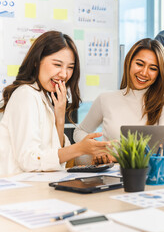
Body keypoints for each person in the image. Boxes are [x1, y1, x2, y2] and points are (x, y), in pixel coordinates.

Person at [0, 31, 109, 175]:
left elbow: (55, 156)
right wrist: (80, 148)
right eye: (57, 64)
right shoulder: (26, 94)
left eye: (70, 67)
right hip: (18, 190)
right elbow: (29, 160)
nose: (64, 74)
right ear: (35, 62)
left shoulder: (44, 97)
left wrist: (59, 116)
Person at [73, 38, 164, 164]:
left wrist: (116, 157)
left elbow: (163, 152)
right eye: (139, 64)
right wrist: (98, 148)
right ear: (129, 63)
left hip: (147, 177)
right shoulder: (105, 99)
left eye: (153, 68)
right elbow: (80, 131)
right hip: (108, 178)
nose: (144, 73)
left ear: (159, 73)